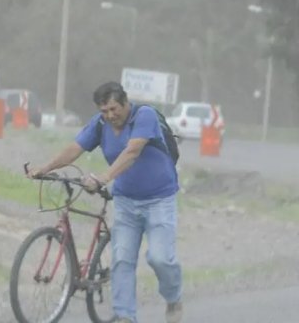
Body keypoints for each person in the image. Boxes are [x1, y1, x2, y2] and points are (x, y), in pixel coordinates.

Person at [28, 81, 183, 323]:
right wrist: (44, 168)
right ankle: (124, 317)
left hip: (159, 199)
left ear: (125, 103)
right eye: (104, 111)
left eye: (114, 109)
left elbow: (132, 151)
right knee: (121, 260)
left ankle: (173, 298)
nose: (110, 116)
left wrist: (103, 178)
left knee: (160, 258)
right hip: (126, 202)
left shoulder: (145, 116)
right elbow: (75, 148)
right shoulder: (100, 124)